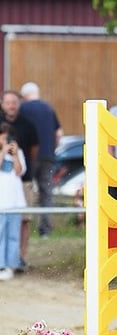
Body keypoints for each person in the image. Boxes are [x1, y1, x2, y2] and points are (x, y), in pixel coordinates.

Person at [19, 82, 62, 238]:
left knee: (26, 190)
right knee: (46, 192)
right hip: (48, 156)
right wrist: (52, 149)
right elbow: (58, 133)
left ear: (24, 95)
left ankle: (25, 227)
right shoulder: (48, 108)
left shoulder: (22, 109)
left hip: (30, 157)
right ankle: (45, 229)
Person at [0, 90, 39, 266]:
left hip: (23, 180)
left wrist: (18, 157)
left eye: (14, 102)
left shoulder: (27, 124)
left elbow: (34, 149)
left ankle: (19, 258)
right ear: (2, 104)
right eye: (7, 102)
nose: (11, 106)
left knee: (23, 220)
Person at [0, 122, 27, 280]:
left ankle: (11, 265)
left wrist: (15, 154)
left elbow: (19, 171)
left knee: (13, 235)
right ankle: (1, 264)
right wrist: (3, 152)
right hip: (1, 204)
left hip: (15, 203)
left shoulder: (19, 153)